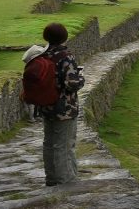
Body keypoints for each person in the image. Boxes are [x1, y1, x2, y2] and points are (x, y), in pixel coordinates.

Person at [21, 22, 85, 186]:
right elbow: (71, 83)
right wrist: (81, 78)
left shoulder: (42, 55)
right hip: (64, 108)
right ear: (64, 37)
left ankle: (52, 178)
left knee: (49, 144)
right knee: (64, 145)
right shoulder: (65, 56)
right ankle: (65, 182)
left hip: (46, 105)